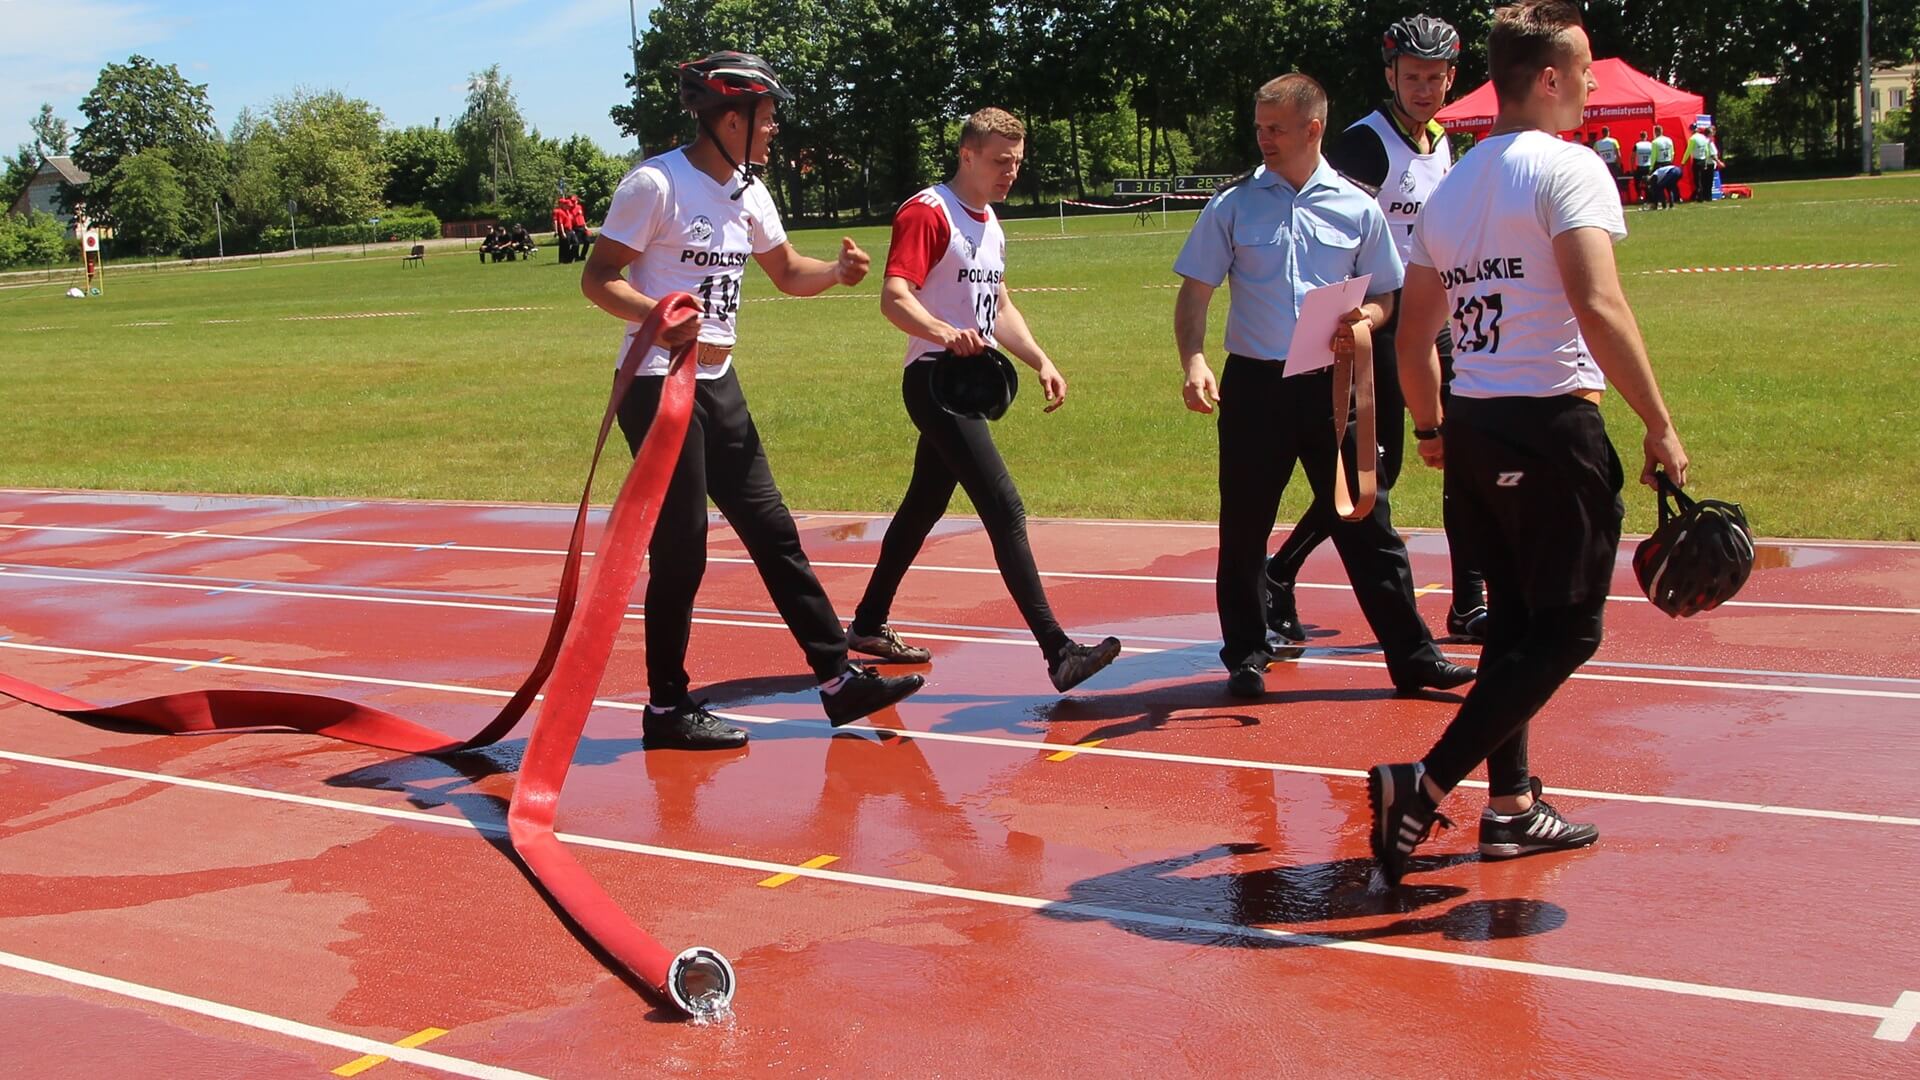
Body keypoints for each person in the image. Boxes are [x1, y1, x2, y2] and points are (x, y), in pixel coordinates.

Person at [1367, 0, 1689, 886]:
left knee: (1510, 623)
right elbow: (1598, 303)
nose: (1587, 85)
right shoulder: (1569, 167)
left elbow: (1413, 336)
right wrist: (1659, 422)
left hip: (1476, 425)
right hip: (1550, 422)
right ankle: (1425, 783)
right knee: (1571, 629)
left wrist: (1431, 428)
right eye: (1581, 71)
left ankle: (1510, 808)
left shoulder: (1452, 185)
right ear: (1548, 78)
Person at [579, 50, 924, 749]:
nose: (773, 130)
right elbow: (598, 277)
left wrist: (836, 272)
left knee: (773, 530)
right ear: (729, 119)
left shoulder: (750, 192)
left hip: (720, 381)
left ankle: (838, 678)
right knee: (683, 550)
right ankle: (666, 709)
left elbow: (788, 271)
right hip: (658, 383)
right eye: (765, 118)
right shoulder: (655, 185)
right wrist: (656, 316)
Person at [1173, 73, 1477, 700]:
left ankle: (1414, 658)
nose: (1263, 139)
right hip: (1255, 387)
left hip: (1334, 387)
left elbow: (1386, 295)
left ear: (1313, 129)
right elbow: (1195, 293)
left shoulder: (1358, 207)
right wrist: (1194, 360)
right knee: (1245, 527)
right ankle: (1246, 654)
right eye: (1260, 127)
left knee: (1367, 521)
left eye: (1276, 129)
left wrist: (1367, 318)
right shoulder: (1231, 205)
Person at [845, 108, 1123, 691]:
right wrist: (944, 332)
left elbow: (1000, 302)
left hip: (969, 383)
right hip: (935, 382)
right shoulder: (929, 212)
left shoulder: (990, 221)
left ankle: (868, 625)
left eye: (1016, 162)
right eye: (999, 161)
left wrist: (1040, 358)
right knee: (1005, 509)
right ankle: (1058, 651)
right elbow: (894, 297)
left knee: (923, 506)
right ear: (966, 155)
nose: (1009, 172)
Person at [1261, 13, 1490, 648]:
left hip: (1437, 316)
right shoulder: (1366, 143)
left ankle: (1469, 601)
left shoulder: (1441, 142)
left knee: (1461, 449)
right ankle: (1278, 571)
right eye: (1413, 77)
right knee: (1375, 470)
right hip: (1378, 322)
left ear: (1452, 79)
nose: (1424, 89)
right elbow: (1335, 231)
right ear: (1390, 76)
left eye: (1435, 78)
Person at [1682, 123, 1716, 202]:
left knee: (1697, 180)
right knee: (1704, 179)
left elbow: (1688, 151)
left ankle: (1700, 197)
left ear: (1691, 130)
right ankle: (1705, 196)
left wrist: (1683, 161)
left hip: (1697, 161)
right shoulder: (1703, 137)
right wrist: (1706, 160)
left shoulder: (1692, 139)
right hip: (1703, 160)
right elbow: (1706, 150)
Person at [1593, 125, 1628, 201]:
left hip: (1603, 165)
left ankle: (1606, 198)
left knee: (1604, 182)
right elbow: (1618, 154)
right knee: (1614, 181)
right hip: (1613, 164)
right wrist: (1619, 164)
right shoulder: (1614, 141)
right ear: (1608, 132)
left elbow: (1595, 156)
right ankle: (1616, 198)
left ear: (1602, 133)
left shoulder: (1597, 143)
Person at [1631, 129, 1654, 203]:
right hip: (1648, 166)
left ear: (1640, 136)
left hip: (1640, 166)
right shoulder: (1651, 144)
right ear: (1646, 136)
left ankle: (1639, 196)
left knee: (1637, 182)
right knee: (1649, 182)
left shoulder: (1637, 145)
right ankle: (1649, 197)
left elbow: (1632, 157)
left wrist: (1632, 167)